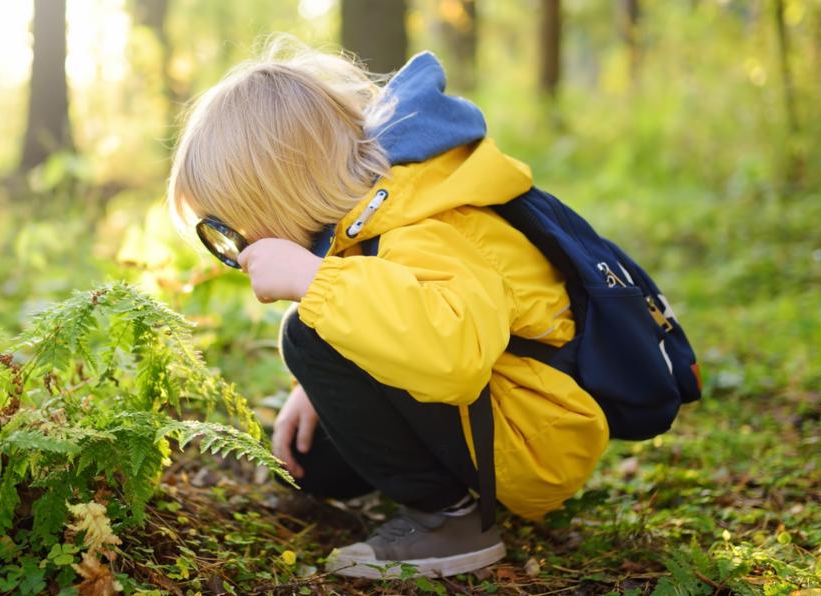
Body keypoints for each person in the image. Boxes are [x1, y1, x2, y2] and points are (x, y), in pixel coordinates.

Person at [166, 38, 609, 579]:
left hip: (533, 436)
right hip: (498, 415)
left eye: (228, 229)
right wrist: (317, 386)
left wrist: (314, 283)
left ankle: (450, 523)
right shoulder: (369, 216)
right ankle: (430, 493)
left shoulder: (426, 221)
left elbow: (454, 354)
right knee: (316, 463)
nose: (233, 250)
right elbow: (394, 308)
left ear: (279, 194)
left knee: (304, 334)